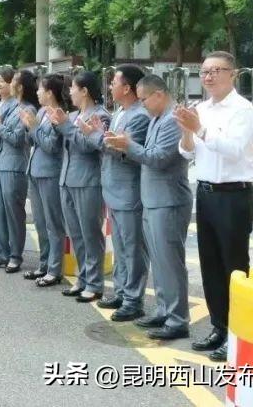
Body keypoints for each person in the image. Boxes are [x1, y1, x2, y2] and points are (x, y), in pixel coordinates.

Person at [175, 51, 253, 362]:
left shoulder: (242, 109)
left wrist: (199, 129)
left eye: (216, 70)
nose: (208, 76)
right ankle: (219, 326)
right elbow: (186, 153)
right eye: (205, 71)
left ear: (232, 74)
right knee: (210, 265)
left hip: (234, 196)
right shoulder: (201, 108)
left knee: (233, 267)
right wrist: (186, 129)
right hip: (206, 193)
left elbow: (235, 150)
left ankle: (239, 332)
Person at [105, 74, 192, 341]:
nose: (142, 106)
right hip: (153, 199)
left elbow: (158, 158)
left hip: (168, 200)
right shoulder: (156, 118)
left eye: (144, 100)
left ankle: (178, 319)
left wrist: (128, 145)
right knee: (159, 260)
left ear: (159, 95)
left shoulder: (172, 120)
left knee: (170, 261)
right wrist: (129, 146)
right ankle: (165, 310)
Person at [93, 65, 150, 321]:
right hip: (113, 188)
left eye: (114, 82)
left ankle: (133, 299)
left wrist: (99, 138)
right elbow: (109, 144)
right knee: (119, 244)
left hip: (128, 191)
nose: (110, 87)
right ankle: (121, 290)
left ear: (127, 88)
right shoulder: (120, 112)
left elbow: (125, 150)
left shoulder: (139, 115)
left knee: (132, 247)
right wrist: (102, 139)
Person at [49, 70, 110, 303]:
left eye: (73, 88)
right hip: (67, 179)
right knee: (76, 234)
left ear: (85, 91)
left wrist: (65, 126)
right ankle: (83, 278)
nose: (70, 92)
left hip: (88, 181)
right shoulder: (73, 115)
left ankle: (94, 283)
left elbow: (89, 145)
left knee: (90, 233)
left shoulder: (101, 116)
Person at [0, 68, 36, 272]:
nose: (8, 83)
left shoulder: (28, 109)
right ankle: (2, 252)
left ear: (19, 86)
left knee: (14, 213)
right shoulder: (14, 106)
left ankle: (15, 255)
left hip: (15, 165)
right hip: (0, 162)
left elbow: (17, 139)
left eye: (12, 81)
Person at [20, 73, 68, 286]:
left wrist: (34, 127)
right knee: (40, 222)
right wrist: (28, 126)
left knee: (53, 223)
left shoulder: (59, 114)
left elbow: (51, 146)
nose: (37, 92)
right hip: (36, 170)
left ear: (50, 93)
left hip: (50, 172)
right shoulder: (40, 111)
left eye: (41, 89)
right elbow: (33, 140)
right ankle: (44, 264)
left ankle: (55, 269)